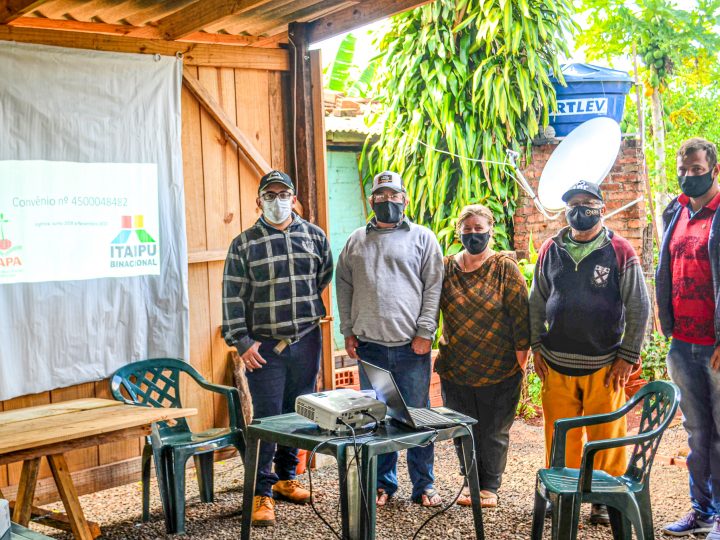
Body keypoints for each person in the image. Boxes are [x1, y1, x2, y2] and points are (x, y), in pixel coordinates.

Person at [529, 180, 650, 525]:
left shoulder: (620, 250)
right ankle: (562, 493)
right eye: (573, 204)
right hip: (556, 362)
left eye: (587, 203)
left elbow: (639, 305)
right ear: (566, 210)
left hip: (605, 364)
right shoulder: (550, 248)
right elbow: (536, 301)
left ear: (600, 206)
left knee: (606, 435)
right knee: (559, 433)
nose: (579, 210)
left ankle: (604, 499)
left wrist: (628, 355)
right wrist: (536, 344)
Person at [222, 170, 333, 527]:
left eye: (283, 193)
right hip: (264, 347)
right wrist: (241, 341)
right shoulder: (244, 244)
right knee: (268, 418)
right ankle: (261, 492)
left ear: (294, 198)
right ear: (259, 202)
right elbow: (232, 298)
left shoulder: (314, 236)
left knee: (299, 412)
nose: (277, 200)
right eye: (269, 195)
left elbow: (322, 277)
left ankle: (287, 478)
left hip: (306, 339)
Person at [335, 170, 444, 507]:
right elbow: (344, 286)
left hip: (411, 347)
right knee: (378, 418)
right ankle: (384, 484)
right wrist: (348, 331)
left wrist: (426, 332)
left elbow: (433, 288)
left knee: (416, 416)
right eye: (380, 197)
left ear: (404, 199)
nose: (387, 201)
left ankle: (424, 485)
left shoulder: (423, 238)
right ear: (372, 201)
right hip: (370, 348)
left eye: (393, 195)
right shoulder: (355, 240)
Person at [435, 204, 530, 509]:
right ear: (458, 232)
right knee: (463, 429)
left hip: (499, 367)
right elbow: (429, 310)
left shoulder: (505, 267)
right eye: (468, 229)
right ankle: (470, 482)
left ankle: (490, 486)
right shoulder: (446, 267)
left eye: (479, 228)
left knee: (492, 432)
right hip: (456, 366)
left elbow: (520, 316)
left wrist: (521, 360)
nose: (473, 234)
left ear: (490, 229)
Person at [657, 138, 720, 539]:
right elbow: (666, 267)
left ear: (714, 170)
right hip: (683, 342)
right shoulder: (676, 210)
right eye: (684, 169)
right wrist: (667, 326)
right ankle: (702, 513)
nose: (689, 175)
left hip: (716, 346)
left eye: (697, 169)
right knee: (696, 432)